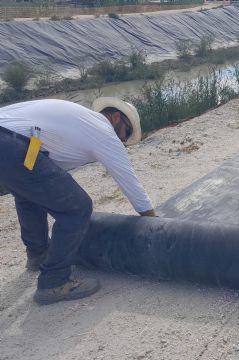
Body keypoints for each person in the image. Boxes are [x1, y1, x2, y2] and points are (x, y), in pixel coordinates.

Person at [0, 98, 156, 305]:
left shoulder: (80, 119)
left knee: (29, 195)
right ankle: (54, 282)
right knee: (77, 208)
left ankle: (39, 255)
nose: (124, 140)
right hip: (13, 145)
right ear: (117, 117)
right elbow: (128, 180)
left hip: (9, 142)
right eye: (126, 133)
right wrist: (151, 218)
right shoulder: (103, 130)